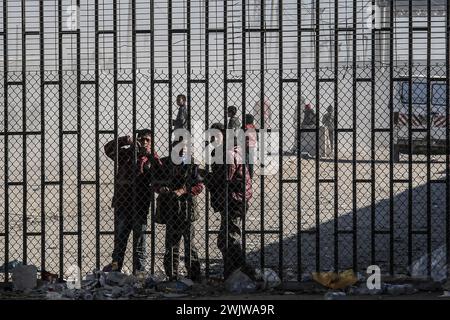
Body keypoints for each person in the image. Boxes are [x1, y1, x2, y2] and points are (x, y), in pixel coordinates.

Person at [103, 130, 162, 273]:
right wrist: (125, 140)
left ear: (151, 143)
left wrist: (150, 156)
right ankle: (116, 269)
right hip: (123, 204)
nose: (144, 143)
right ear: (136, 140)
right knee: (120, 241)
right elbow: (108, 149)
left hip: (140, 206)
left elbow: (161, 173)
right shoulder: (126, 155)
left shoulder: (152, 159)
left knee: (140, 243)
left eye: (148, 140)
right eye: (142, 139)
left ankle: (140, 272)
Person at [206, 123, 255, 280]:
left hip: (235, 200)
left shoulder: (228, 154)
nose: (213, 138)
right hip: (232, 199)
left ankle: (246, 272)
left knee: (230, 238)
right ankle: (231, 274)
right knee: (226, 239)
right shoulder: (226, 151)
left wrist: (204, 177)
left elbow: (223, 180)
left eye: (216, 135)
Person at [155, 140, 204, 281]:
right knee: (171, 245)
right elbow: (155, 182)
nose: (182, 151)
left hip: (187, 209)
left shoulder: (192, 165)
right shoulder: (164, 164)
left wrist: (184, 190)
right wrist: (161, 189)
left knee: (190, 244)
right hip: (170, 209)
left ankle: (194, 275)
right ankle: (172, 275)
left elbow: (199, 186)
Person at [244, 114, 257, 179]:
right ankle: (251, 175)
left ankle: (246, 174)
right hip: (252, 146)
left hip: (245, 146)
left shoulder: (244, 127)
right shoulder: (253, 127)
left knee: (245, 161)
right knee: (251, 161)